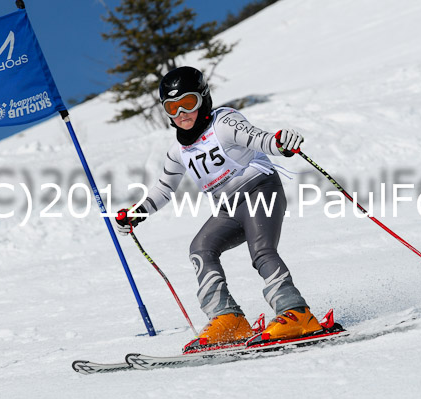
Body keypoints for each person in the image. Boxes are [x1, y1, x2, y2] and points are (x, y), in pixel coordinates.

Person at [114, 66, 323, 346]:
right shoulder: (178, 151)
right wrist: (138, 213)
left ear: (203, 99)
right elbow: (165, 187)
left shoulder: (224, 123)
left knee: (261, 251)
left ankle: (296, 313)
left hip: (261, 191)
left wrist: (280, 143)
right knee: (201, 249)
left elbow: (260, 139)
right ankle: (229, 320)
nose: (181, 114)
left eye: (187, 103)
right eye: (172, 107)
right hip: (229, 208)